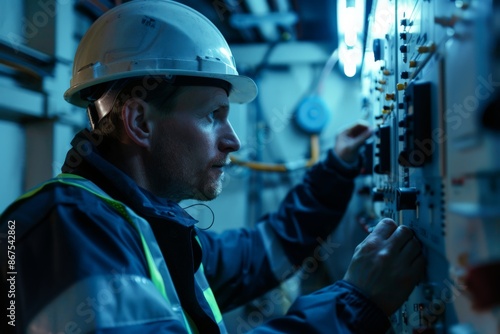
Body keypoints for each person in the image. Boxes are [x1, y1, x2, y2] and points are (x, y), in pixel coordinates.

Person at [0, 0, 425, 333]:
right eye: (212, 116)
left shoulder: (140, 226)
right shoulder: (69, 231)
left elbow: (266, 250)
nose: (233, 140)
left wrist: (335, 168)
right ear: (140, 122)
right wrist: (356, 303)